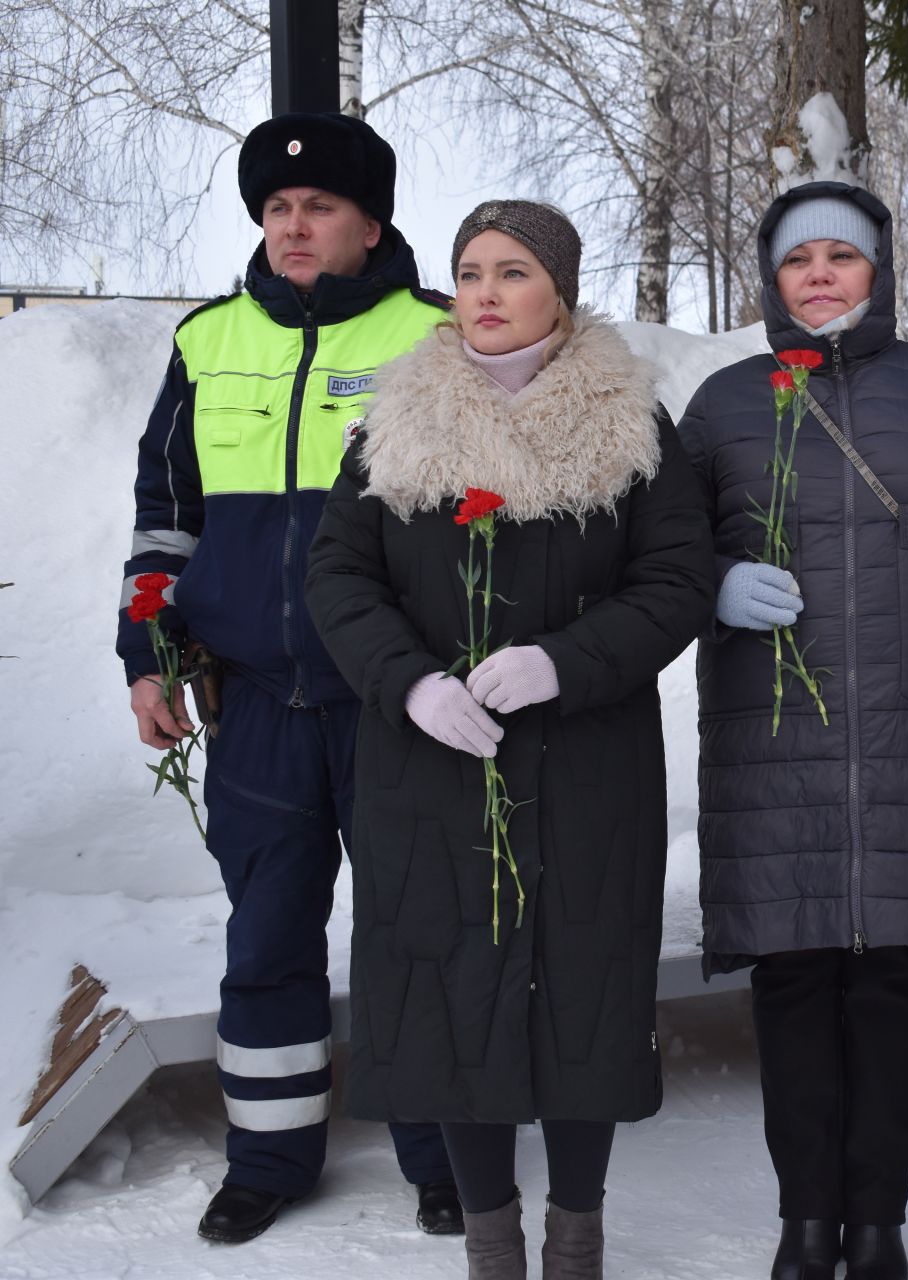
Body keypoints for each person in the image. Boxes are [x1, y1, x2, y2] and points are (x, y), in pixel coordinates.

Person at [305, 200, 714, 1280]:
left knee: (585, 994)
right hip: (433, 770)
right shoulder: (397, 421)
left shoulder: (631, 424)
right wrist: (410, 685)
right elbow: (338, 576)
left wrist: (563, 664)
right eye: (470, 270)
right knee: (449, 997)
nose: (484, 291)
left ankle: (576, 1234)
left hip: (588, 771)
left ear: (561, 292)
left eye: (513, 271)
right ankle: (492, 1241)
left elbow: (676, 579)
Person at [116, 111, 458, 1244]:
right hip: (257, 700)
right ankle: (268, 1154)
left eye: (317, 207)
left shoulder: (438, 337)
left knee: (417, 928)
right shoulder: (210, 342)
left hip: (393, 701)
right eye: (276, 208)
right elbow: (167, 520)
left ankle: (443, 1152)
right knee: (265, 932)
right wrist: (150, 655)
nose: (293, 225)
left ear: (371, 221)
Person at [678, 181, 908, 1280]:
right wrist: (715, 581)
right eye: (797, 260)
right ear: (772, 280)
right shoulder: (726, 403)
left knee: (896, 987)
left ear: (880, 272)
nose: (820, 274)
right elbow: (659, 560)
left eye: (843, 256)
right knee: (794, 983)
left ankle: (877, 1220)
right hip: (774, 747)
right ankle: (803, 1219)